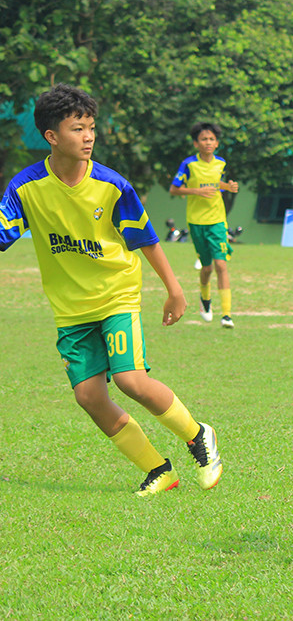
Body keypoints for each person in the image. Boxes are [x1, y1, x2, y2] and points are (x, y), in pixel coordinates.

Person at [0, 84, 222, 496]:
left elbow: (146, 239)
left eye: (91, 128)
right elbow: (2, 233)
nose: (88, 137)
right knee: (89, 396)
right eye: (77, 129)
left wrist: (174, 289)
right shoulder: (25, 187)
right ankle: (159, 470)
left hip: (116, 294)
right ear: (51, 136)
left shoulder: (111, 184)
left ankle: (198, 435)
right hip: (71, 309)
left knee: (129, 380)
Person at [169, 122, 239, 329]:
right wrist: (196, 191)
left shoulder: (221, 164)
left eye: (211, 139)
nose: (208, 142)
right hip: (196, 222)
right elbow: (174, 189)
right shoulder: (188, 165)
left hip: (217, 221)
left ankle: (226, 314)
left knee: (221, 265)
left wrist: (229, 187)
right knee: (207, 268)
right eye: (203, 139)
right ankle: (205, 298)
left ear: (216, 143)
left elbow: (219, 185)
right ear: (196, 143)